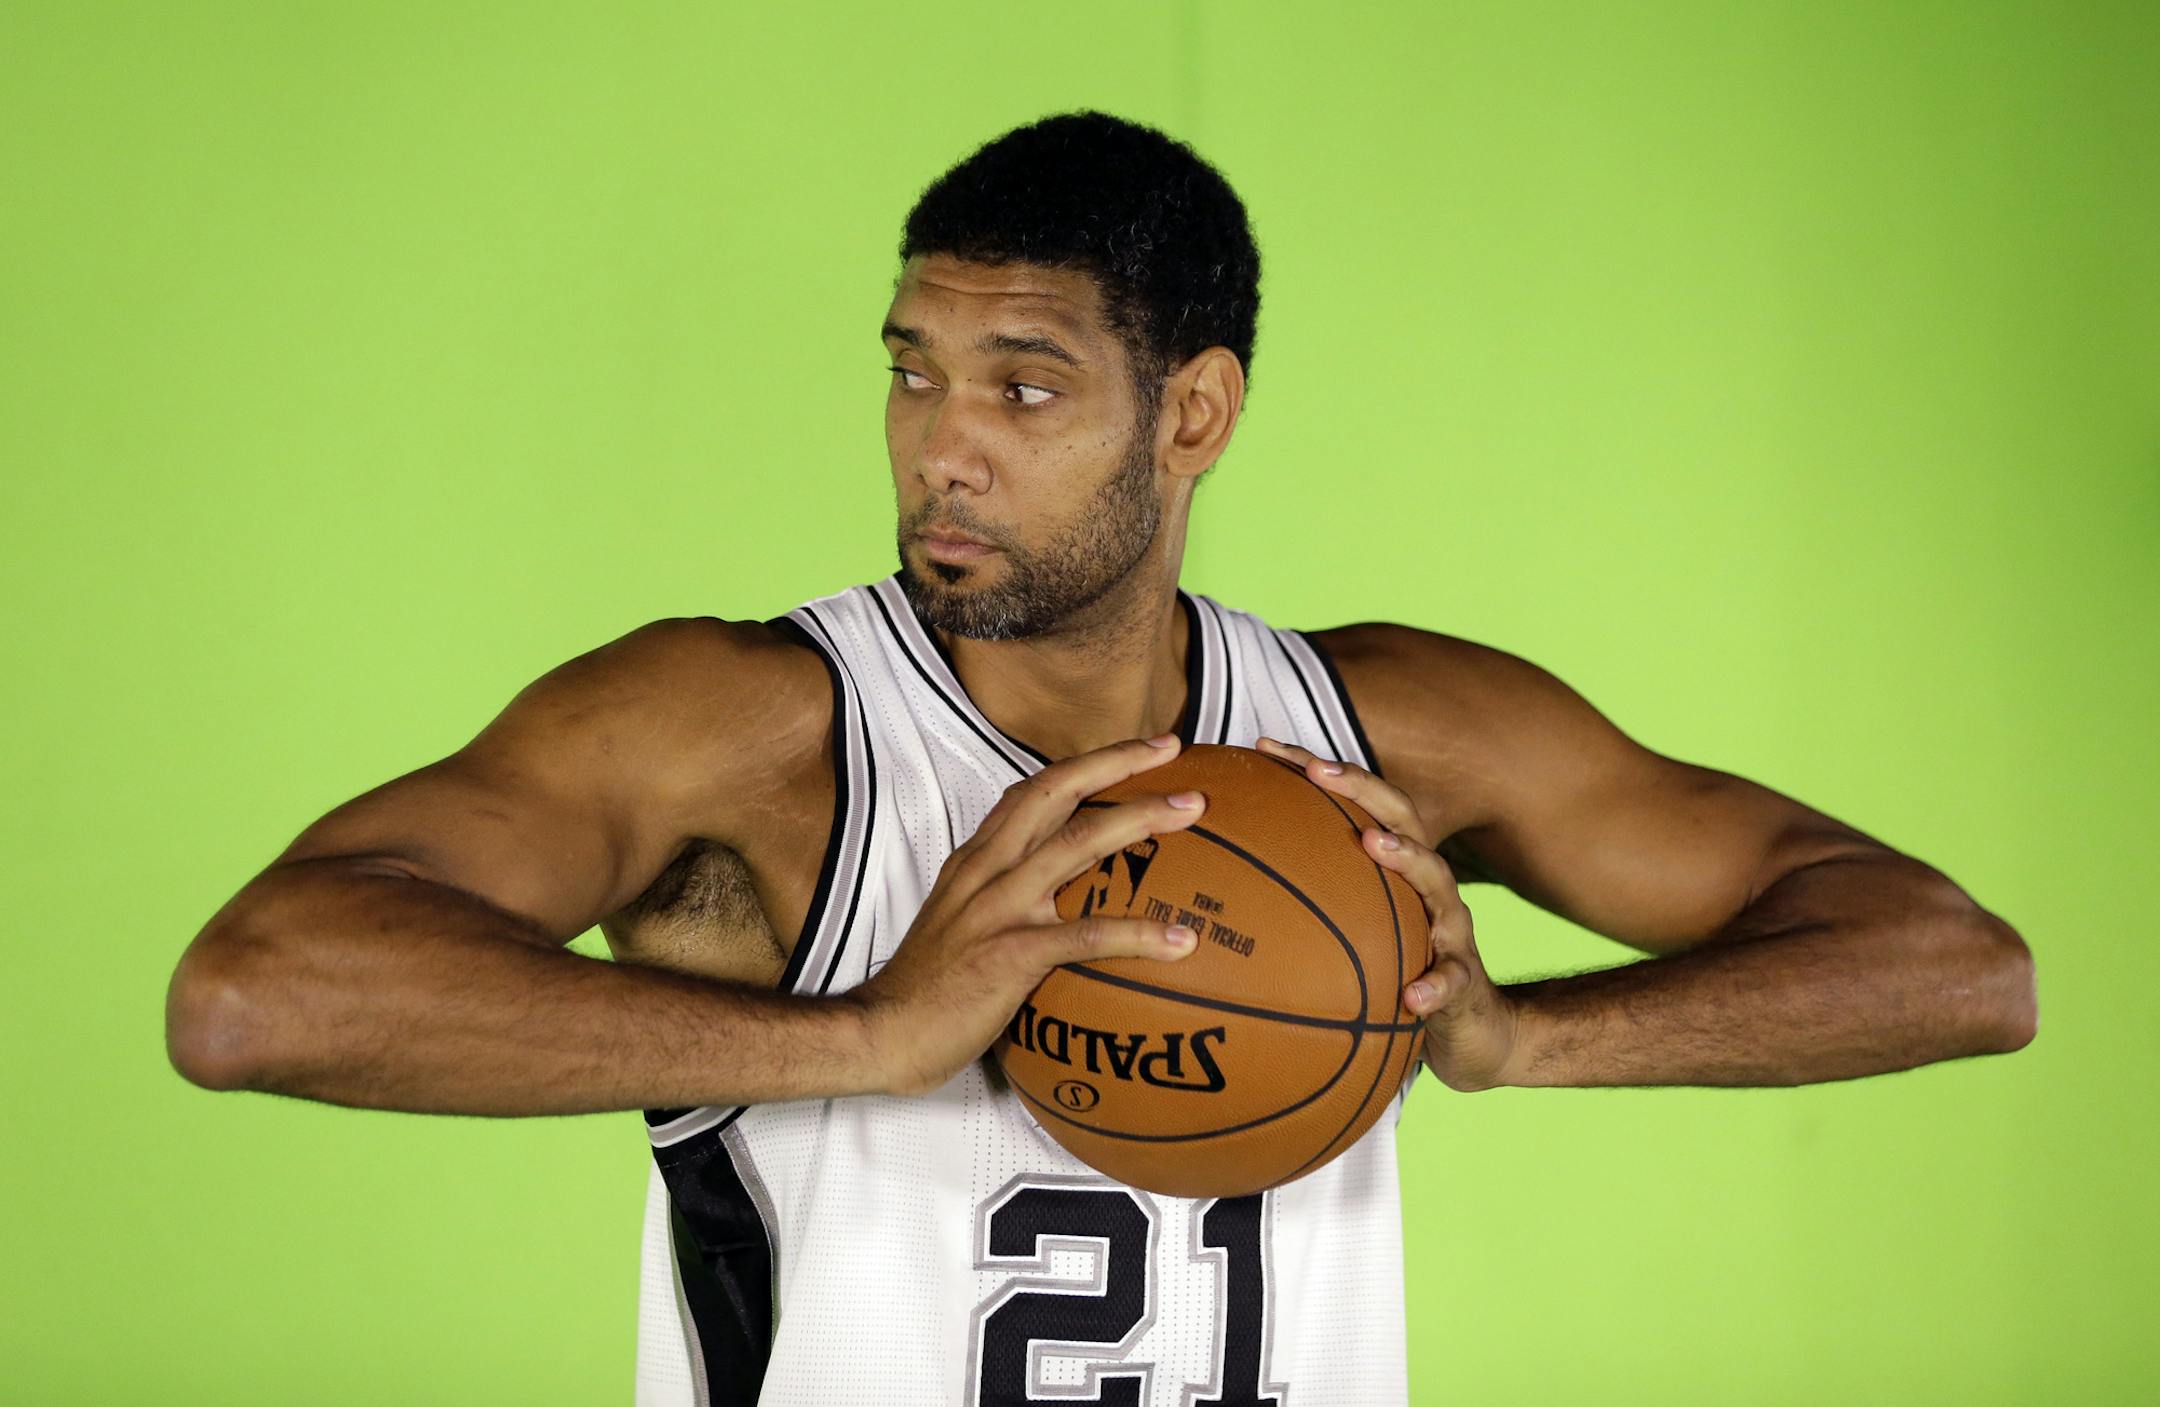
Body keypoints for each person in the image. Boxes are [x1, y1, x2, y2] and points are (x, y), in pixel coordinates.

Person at [164, 110, 2037, 1405]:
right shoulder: (743, 731)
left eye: (1026, 386)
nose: (940, 447)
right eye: (913, 371)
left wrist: (1525, 1035)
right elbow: (252, 998)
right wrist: (863, 1040)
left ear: (1195, 411)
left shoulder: (1388, 737)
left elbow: (1961, 968)